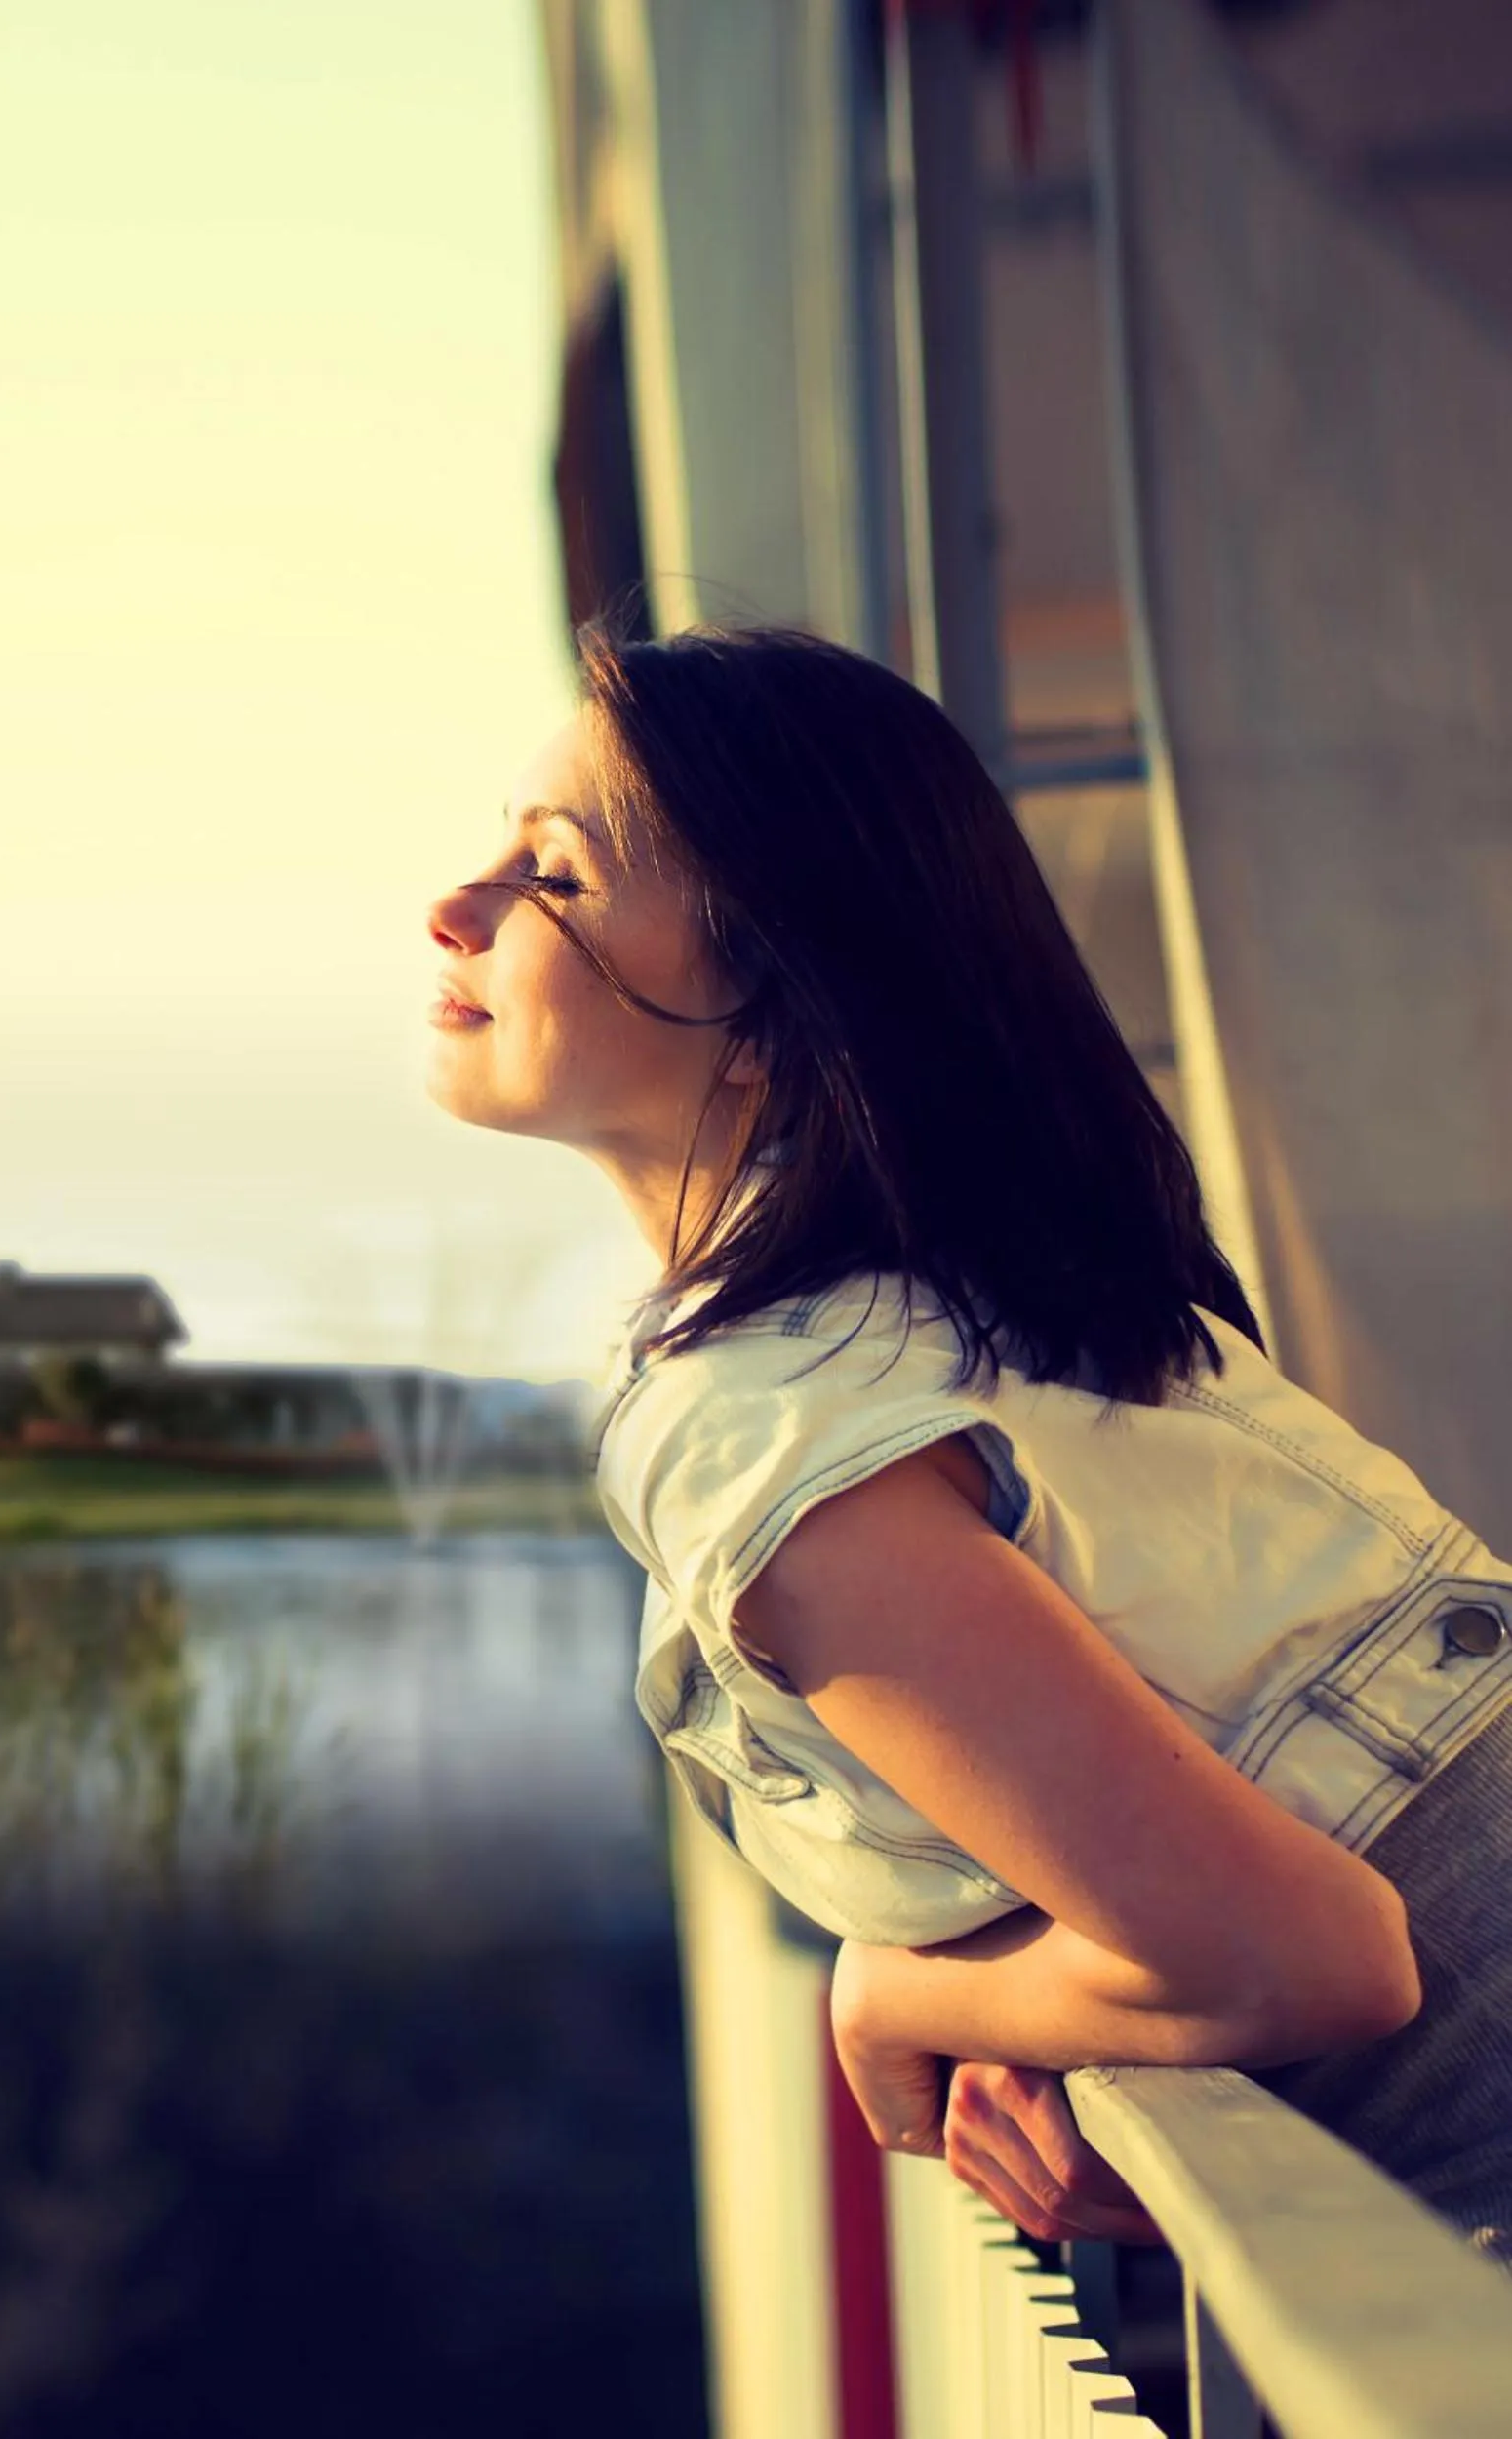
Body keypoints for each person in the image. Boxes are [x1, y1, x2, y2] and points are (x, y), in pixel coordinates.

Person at [423, 621, 1512, 2260]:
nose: (458, 902)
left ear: (780, 991)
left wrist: (897, 1988)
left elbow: (1310, 1958)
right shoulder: (985, 1307)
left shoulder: (772, 1436)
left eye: (557, 873)